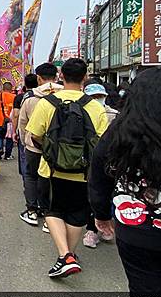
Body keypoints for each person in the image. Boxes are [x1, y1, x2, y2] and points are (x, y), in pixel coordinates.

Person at [89, 68, 161, 297]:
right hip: (138, 233)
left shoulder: (120, 131)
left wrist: (101, 214)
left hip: (136, 231)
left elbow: (99, 173)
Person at [26, 58, 108, 278]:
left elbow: (34, 134)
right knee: (77, 214)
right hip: (83, 173)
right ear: (84, 78)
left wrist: (52, 150)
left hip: (51, 170)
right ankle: (69, 255)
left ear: (62, 77)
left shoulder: (47, 102)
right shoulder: (94, 107)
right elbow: (100, 143)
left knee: (52, 211)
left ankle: (65, 256)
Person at [18, 63, 61, 230]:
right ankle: (50, 216)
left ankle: (32, 211)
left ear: (38, 78)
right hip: (59, 149)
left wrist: (24, 142)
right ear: (56, 77)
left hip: (34, 147)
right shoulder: (65, 96)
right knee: (53, 180)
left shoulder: (30, 99)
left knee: (31, 176)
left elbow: (23, 124)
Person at [82, 81, 118, 249]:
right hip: (87, 160)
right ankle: (92, 229)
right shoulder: (79, 113)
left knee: (105, 193)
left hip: (108, 162)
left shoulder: (115, 115)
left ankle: (102, 225)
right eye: (93, 97)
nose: (97, 100)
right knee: (92, 195)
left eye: (100, 97)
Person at [12, 74, 38, 180]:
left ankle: (27, 183)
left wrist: (14, 131)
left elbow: (16, 115)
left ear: (25, 84)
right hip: (38, 132)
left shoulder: (19, 97)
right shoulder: (41, 96)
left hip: (24, 132)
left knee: (24, 158)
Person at [0, 81, 15, 160]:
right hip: (10, 123)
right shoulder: (14, 97)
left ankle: (0, 148)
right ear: (11, 89)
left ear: (3, 88)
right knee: (9, 138)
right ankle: (8, 155)